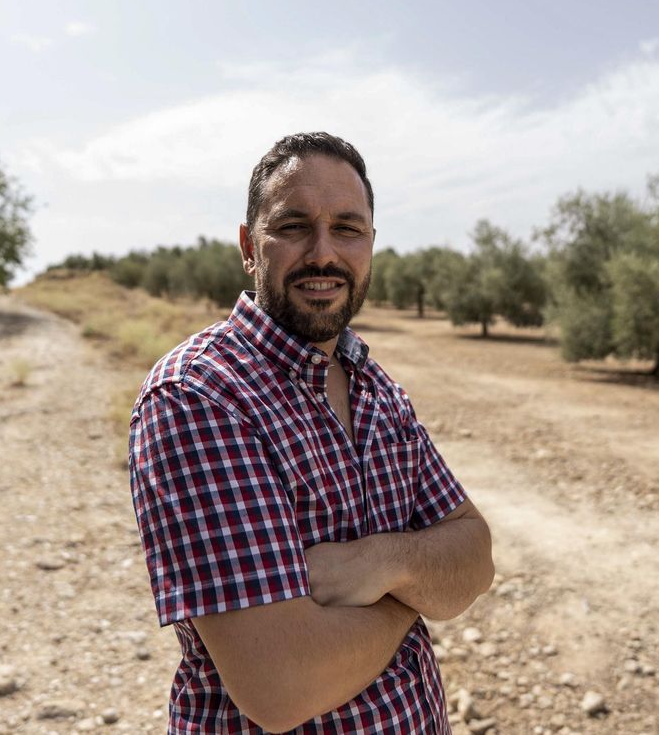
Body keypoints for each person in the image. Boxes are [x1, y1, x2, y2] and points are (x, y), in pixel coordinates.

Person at [128, 132, 495, 732]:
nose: (323, 253)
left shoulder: (375, 387)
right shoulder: (200, 396)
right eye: (294, 226)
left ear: (371, 246)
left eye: (348, 229)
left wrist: (382, 562)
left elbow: (475, 558)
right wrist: (412, 594)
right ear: (250, 246)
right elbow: (281, 687)